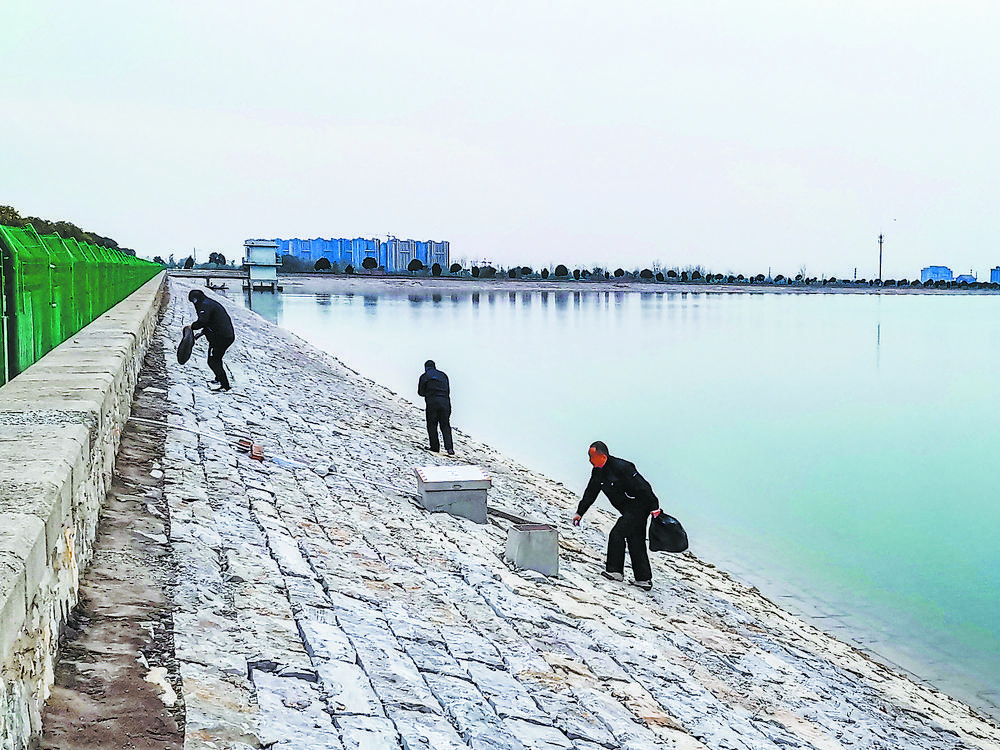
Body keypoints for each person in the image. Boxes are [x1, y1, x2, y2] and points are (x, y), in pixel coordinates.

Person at [572, 441, 661, 591]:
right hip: (627, 510)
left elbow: (643, 486)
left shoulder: (623, 467)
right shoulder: (597, 472)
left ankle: (615, 571)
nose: (590, 460)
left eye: (592, 456)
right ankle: (643, 580)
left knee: (617, 533)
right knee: (636, 540)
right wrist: (579, 513)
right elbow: (591, 493)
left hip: (639, 507)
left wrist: (654, 507)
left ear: (602, 455)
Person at [188, 289, 235, 392]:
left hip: (220, 337)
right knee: (217, 358)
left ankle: (225, 386)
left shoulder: (204, 305)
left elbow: (203, 321)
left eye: (193, 301)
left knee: (213, 361)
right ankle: (219, 378)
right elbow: (211, 322)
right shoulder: (209, 302)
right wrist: (200, 334)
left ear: (195, 299)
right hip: (226, 335)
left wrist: (192, 327)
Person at [417, 359, 454, 455]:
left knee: (432, 425)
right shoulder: (443, 375)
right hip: (445, 403)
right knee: (445, 425)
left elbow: (420, 392)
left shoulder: (425, 376)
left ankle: (434, 447)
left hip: (432, 402)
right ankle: (449, 448)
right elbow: (448, 390)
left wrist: (429, 393)